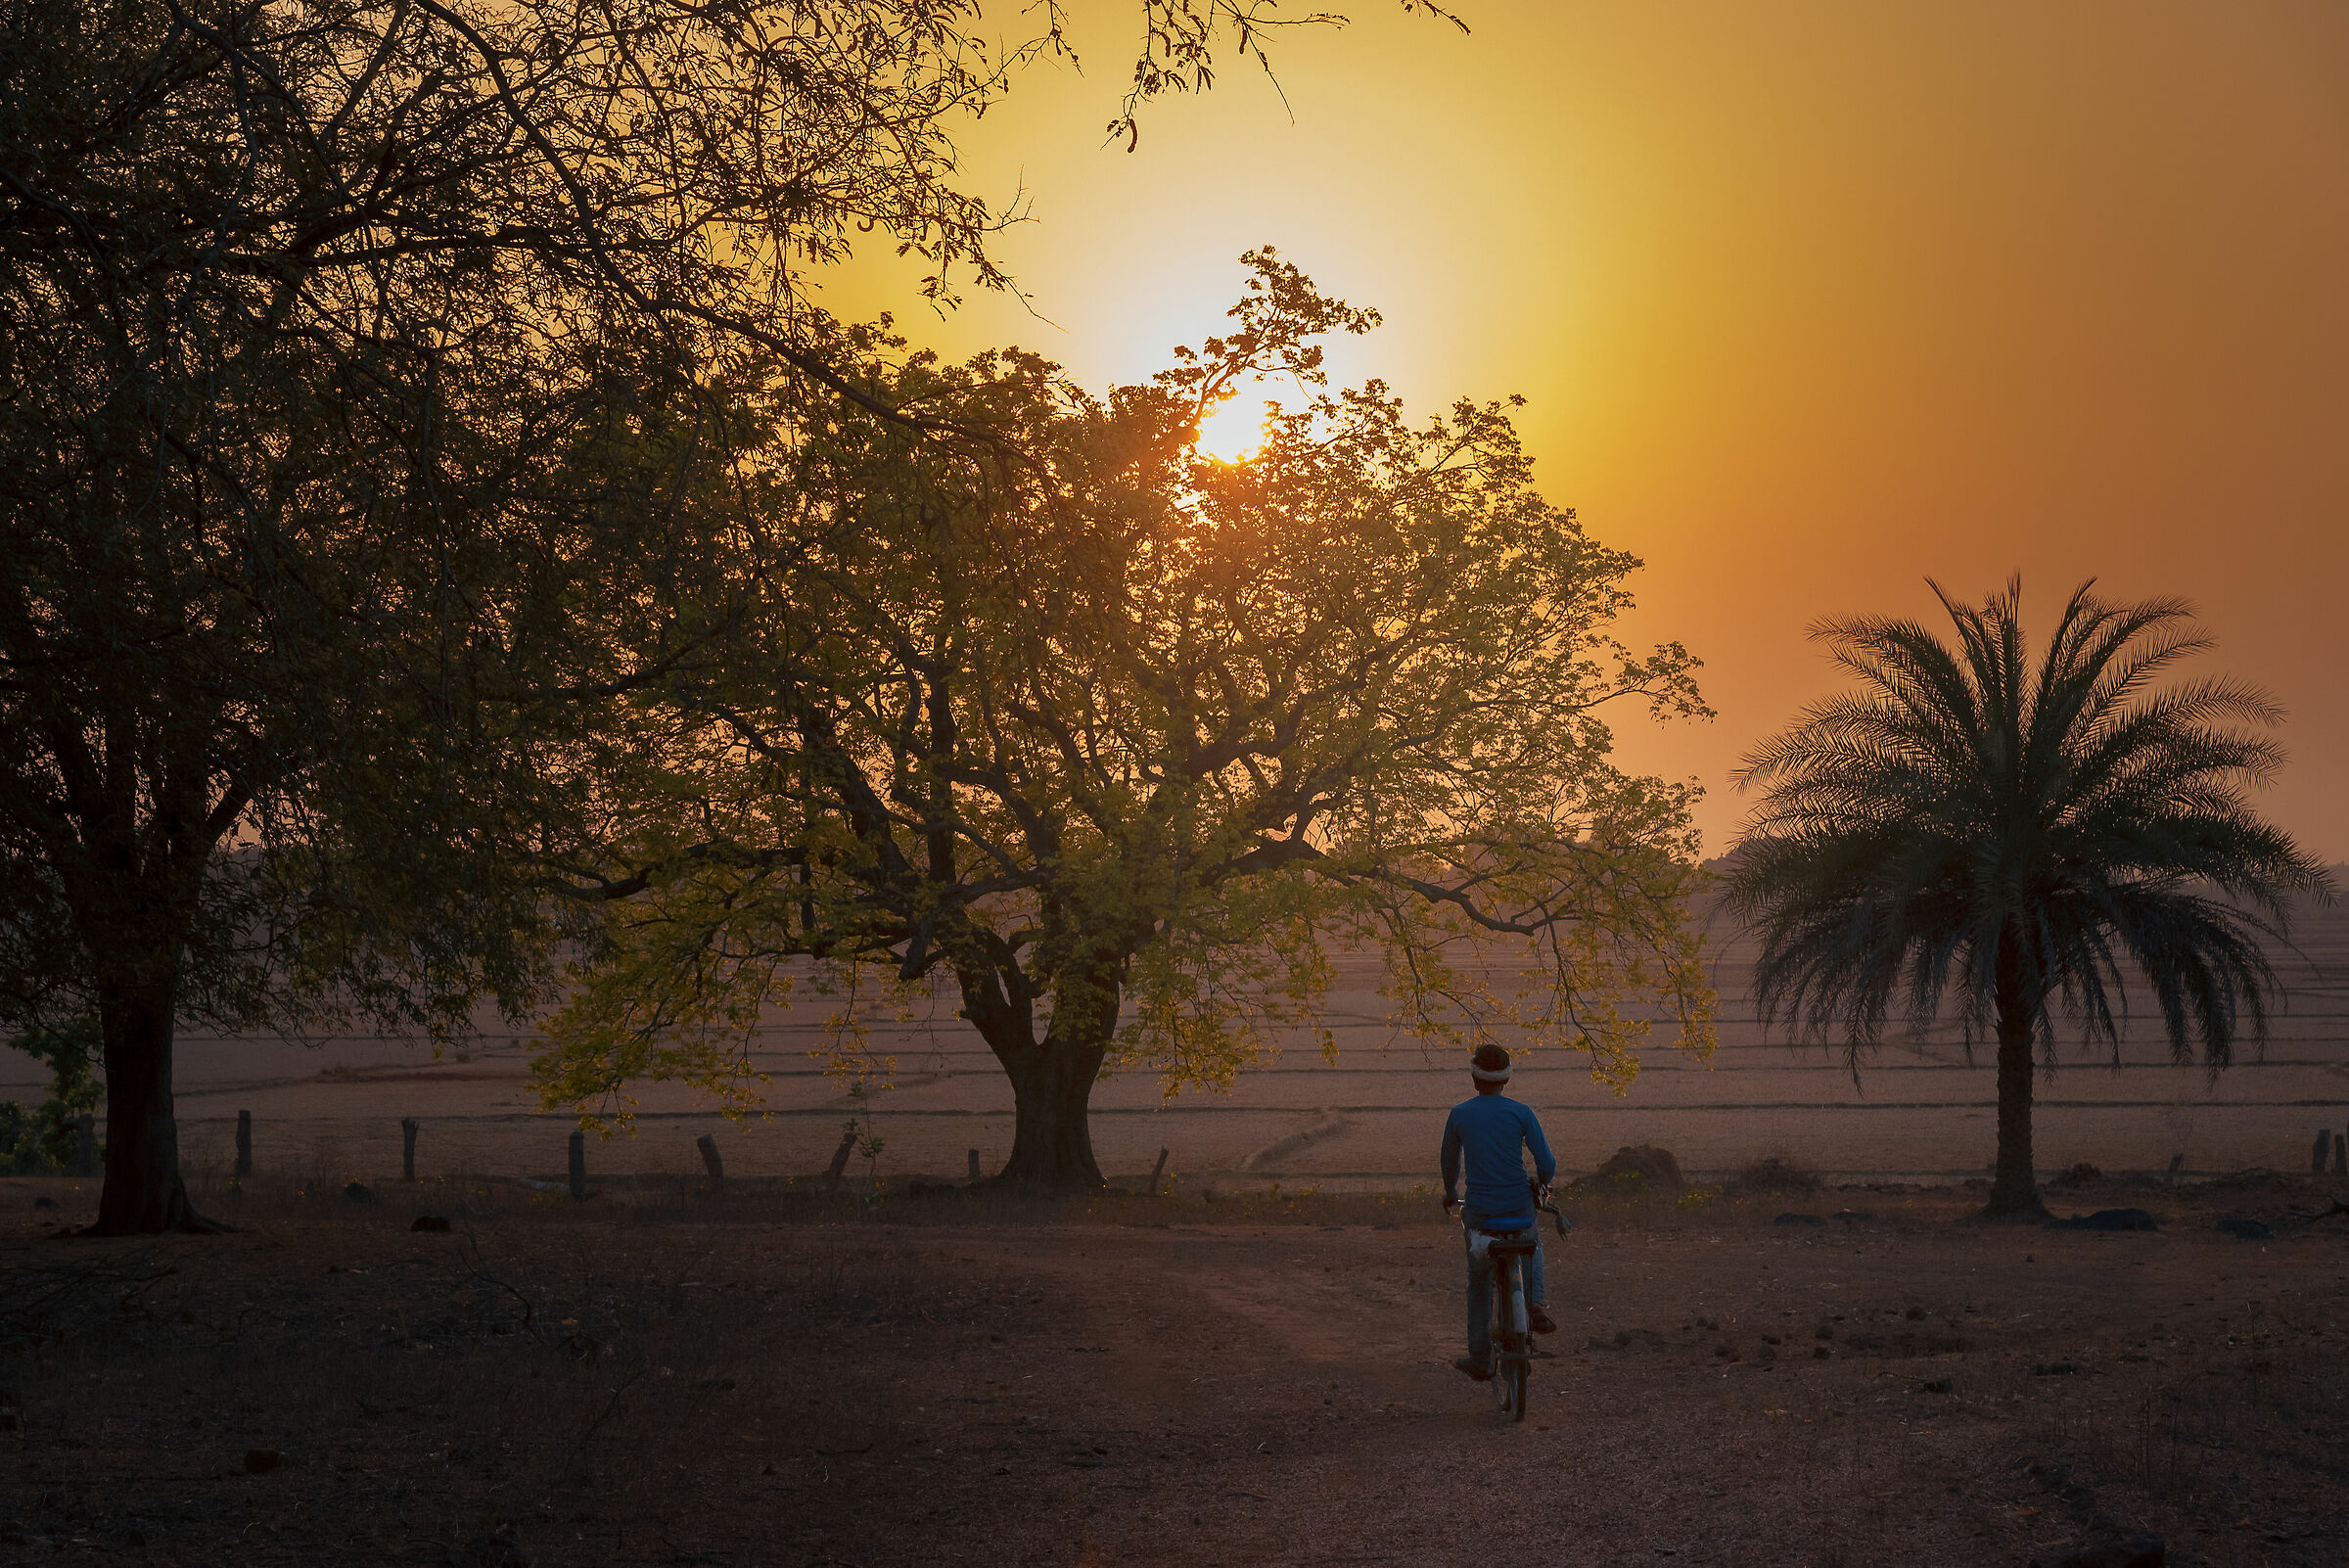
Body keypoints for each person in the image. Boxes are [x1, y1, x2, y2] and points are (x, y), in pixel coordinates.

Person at [1440, 1043, 1558, 1380]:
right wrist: (1543, 1185)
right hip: (1519, 1208)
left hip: (1480, 1214)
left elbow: (1449, 1161)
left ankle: (1480, 1357)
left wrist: (1450, 1192)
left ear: (1474, 1077)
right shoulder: (1522, 1113)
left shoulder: (1459, 1114)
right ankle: (1534, 1302)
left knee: (1478, 1283)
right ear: (1507, 1079)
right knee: (1531, 1243)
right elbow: (1546, 1164)